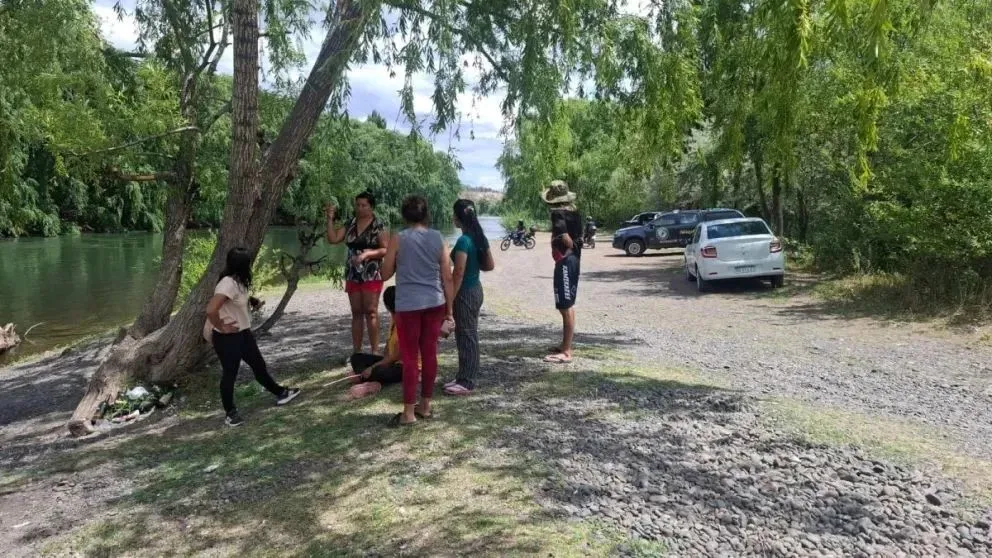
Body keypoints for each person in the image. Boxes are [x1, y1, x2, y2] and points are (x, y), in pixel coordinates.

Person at [204, 247, 300, 427]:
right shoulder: (227, 283)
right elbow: (211, 309)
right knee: (230, 374)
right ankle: (230, 414)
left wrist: (251, 301)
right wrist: (221, 326)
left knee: (259, 366)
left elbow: (235, 300)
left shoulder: (238, 281)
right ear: (242, 265)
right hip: (228, 338)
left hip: (244, 334)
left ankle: (280, 393)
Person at [380, 195, 455, 426]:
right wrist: (449, 312)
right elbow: (447, 277)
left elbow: (384, 274)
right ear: (426, 214)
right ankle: (425, 405)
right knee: (430, 353)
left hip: (408, 305)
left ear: (404, 215)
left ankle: (408, 413)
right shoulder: (438, 238)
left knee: (410, 357)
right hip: (435, 303)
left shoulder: (398, 238)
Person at [325, 192, 388, 355]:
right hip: (353, 272)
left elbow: (385, 249)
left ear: (371, 206)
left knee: (371, 311)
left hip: (371, 273)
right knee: (356, 312)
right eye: (357, 205)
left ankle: (375, 351)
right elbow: (333, 239)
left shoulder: (378, 224)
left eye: (363, 205)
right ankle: (357, 351)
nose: (360, 208)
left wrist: (367, 254)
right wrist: (330, 218)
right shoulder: (351, 223)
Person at [444, 199, 496, 396]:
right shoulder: (479, 237)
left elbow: (458, 272)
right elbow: (489, 265)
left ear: (458, 217)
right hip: (476, 288)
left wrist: (450, 298)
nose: (452, 217)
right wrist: (475, 266)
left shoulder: (464, 241)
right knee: (467, 334)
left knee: (467, 335)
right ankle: (463, 375)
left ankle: (467, 381)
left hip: (465, 291)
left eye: (453, 214)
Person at [541, 180, 582, 364]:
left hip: (565, 261)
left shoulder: (558, 213)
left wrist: (567, 247)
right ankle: (565, 345)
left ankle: (566, 351)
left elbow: (566, 238)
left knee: (565, 306)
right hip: (573, 261)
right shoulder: (574, 212)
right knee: (568, 304)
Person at [343, 286, 409, 400]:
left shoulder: (406, 322)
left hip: (405, 366)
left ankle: (371, 382)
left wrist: (373, 367)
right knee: (356, 358)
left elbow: (396, 357)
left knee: (379, 371)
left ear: (388, 306)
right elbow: (388, 351)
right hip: (392, 362)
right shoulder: (394, 319)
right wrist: (381, 361)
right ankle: (365, 377)